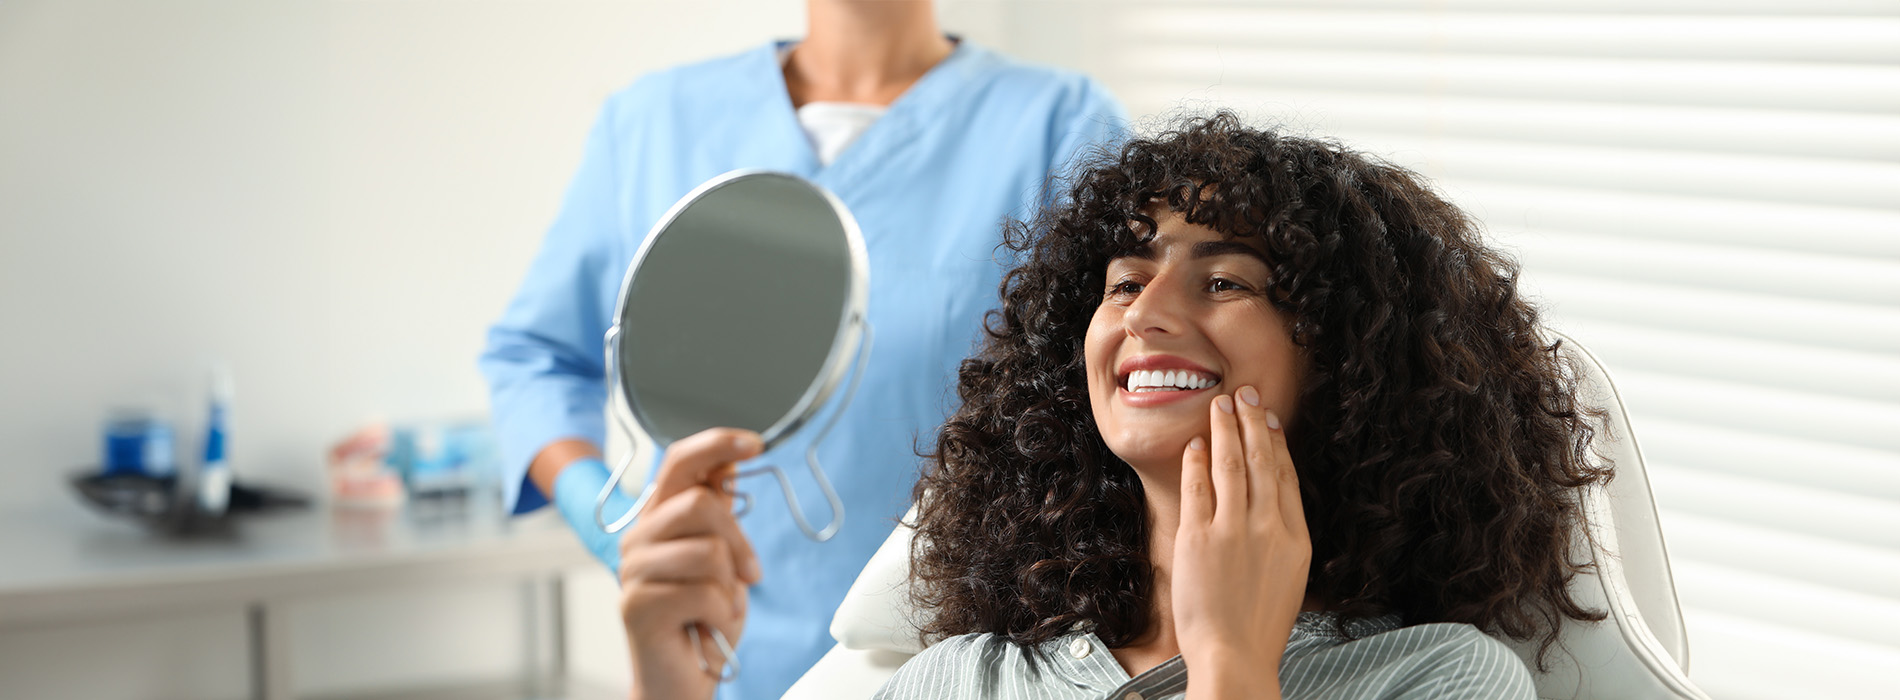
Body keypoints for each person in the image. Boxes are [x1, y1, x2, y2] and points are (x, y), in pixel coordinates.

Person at [478, 1, 1128, 698]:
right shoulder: (651, 125)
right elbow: (533, 358)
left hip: (948, 660)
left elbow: (1116, 401)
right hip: (708, 661)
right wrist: (612, 524)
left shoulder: (1060, 127)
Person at [858, 113, 1613, 698]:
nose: (1142, 314)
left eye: (1225, 283)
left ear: (1351, 360)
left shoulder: (1438, 680)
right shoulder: (957, 680)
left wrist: (1231, 665)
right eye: (1124, 282)